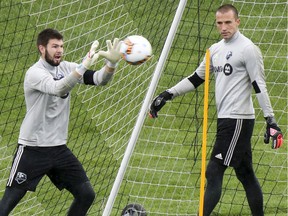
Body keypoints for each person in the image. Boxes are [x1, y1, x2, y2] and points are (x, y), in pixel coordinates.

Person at [149, 4, 283, 216]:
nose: (224, 27)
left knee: (213, 171)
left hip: (238, 120)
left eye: (228, 22)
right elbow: (196, 78)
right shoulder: (215, 50)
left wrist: (271, 120)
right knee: (245, 173)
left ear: (237, 22)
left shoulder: (248, 49)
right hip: (226, 120)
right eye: (219, 23)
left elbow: (259, 85)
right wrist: (167, 94)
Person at [0, 28, 122, 216]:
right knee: (8, 203)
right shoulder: (34, 73)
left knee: (86, 195)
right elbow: (58, 88)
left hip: (58, 149)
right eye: (54, 46)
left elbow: (99, 80)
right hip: (33, 149)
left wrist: (111, 65)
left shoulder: (66, 67)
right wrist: (82, 67)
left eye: (62, 46)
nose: (59, 50)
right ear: (42, 48)